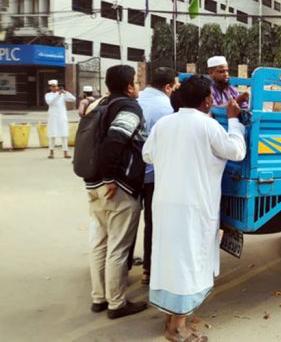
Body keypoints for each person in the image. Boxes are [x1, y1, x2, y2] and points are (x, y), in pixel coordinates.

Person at [143, 75, 246, 342]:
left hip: (165, 203)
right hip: (194, 206)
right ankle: (177, 328)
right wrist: (234, 121)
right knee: (188, 262)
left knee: (169, 259)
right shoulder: (207, 126)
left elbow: (147, 155)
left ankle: (170, 317)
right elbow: (235, 151)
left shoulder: (165, 124)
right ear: (207, 100)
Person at [83, 65, 148, 319]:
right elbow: (116, 139)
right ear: (129, 86)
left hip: (93, 184)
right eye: (137, 81)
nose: (138, 86)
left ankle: (98, 298)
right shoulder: (129, 108)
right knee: (118, 248)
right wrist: (111, 177)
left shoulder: (100, 104)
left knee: (99, 242)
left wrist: (101, 177)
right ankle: (117, 304)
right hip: (117, 187)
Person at [136, 67, 178, 285]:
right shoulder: (167, 108)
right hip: (154, 175)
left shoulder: (136, 99)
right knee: (153, 223)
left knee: (128, 223)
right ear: (168, 87)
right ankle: (149, 270)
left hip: (129, 174)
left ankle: (120, 267)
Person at [45, 79, 76, 159]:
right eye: (54, 86)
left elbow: (73, 99)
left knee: (64, 134)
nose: (56, 88)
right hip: (53, 117)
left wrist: (65, 92)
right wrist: (58, 95)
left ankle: (65, 152)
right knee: (52, 135)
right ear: (50, 87)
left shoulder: (62, 95)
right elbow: (51, 102)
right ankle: (51, 152)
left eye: (56, 86)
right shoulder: (48, 95)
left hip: (62, 116)